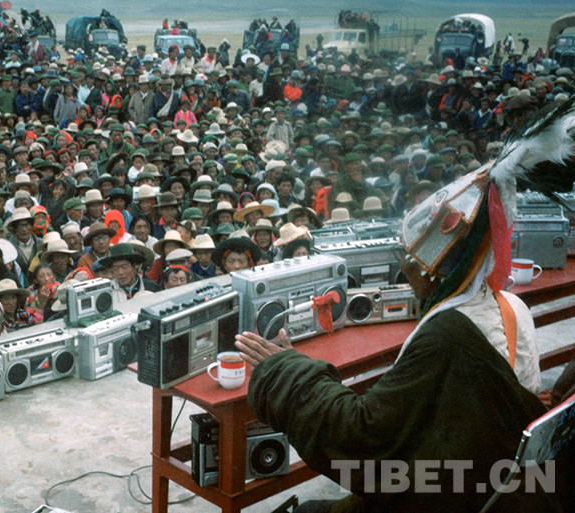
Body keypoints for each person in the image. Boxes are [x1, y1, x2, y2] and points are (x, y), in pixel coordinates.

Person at [235, 127, 569, 511]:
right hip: (494, 481)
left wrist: (284, 371)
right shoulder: (514, 307)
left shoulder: (445, 337)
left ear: (436, 270)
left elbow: (362, 435)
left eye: (410, 257)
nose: (405, 267)